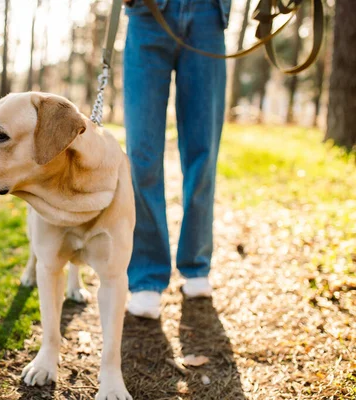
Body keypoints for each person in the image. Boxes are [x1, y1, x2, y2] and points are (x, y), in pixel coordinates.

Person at [123, 0, 230, 319]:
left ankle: (196, 265)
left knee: (204, 150)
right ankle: (147, 276)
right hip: (147, 12)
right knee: (142, 156)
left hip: (208, 14)